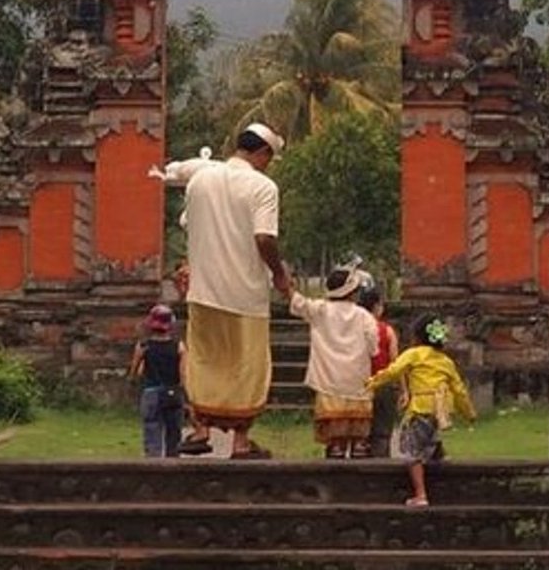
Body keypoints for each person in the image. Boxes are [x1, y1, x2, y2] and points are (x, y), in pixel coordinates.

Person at [176, 122, 291, 458]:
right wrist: (280, 274)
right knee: (247, 366)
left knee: (204, 359)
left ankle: (200, 430)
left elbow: (188, 224)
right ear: (263, 152)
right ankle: (240, 442)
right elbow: (264, 238)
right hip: (245, 295)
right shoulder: (263, 187)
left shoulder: (199, 180)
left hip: (203, 291)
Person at [367, 313, 476, 507]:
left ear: (416, 337)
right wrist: (468, 413)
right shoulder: (445, 361)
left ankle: (421, 494)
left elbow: (393, 371)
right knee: (429, 436)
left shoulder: (413, 354)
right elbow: (459, 390)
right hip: (440, 411)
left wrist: (372, 382)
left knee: (412, 452)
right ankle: (439, 455)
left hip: (420, 409)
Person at [289, 266, 379, 458]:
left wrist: (287, 285)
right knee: (358, 414)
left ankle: (335, 446)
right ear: (353, 292)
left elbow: (298, 303)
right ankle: (358, 445)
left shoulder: (320, 310)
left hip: (328, 376)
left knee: (332, 416)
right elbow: (373, 344)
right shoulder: (363, 315)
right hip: (357, 376)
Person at [127, 303, 185, 458]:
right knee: (174, 432)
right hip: (172, 392)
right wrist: (183, 391)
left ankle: (153, 464)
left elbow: (135, 370)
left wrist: (133, 379)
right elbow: (183, 373)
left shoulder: (144, 345)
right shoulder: (178, 346)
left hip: (151, 392)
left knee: (152, 429)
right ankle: (173, 464)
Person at [356, 281, 399, 458]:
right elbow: (395, 361)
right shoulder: (386, 330)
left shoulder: (354, 329)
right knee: (382, 432)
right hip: (382, 384)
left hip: (358, 384)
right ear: (376, 306)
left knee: (359, 432)